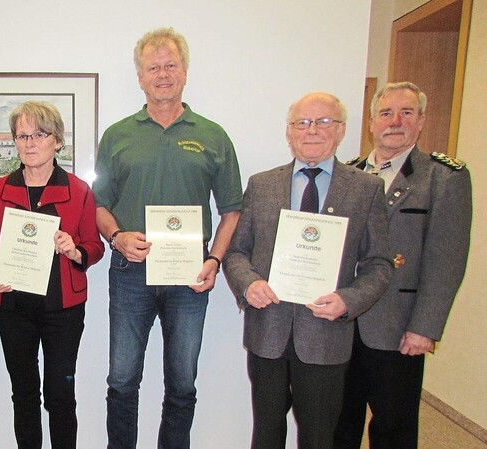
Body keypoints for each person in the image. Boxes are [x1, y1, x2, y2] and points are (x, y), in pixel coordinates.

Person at [92, 27, 243, 449]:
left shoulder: (213, 135)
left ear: (185, 72)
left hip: (189, 275)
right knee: (122, 380)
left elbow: (232, 209)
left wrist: (213, 260)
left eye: (170, 65)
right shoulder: (118, 135)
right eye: (153, 67)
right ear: (140, 77)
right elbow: (98, 204)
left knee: (182, 383)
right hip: (129, 271)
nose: (162, 74)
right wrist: (117, 237)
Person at [222, 92, 394, 449]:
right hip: (267, 332)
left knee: (318, 438)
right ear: (289, 132)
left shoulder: (366, 189)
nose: (311, 130)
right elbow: (236, 253)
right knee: (266, 436)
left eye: (323, 122)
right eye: (302, 123)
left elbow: (379, 264)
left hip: (325, 337)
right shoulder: (262, 184)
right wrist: (248, 284)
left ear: (341, 130)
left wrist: (348, 300)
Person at [333, 82, 472, 449]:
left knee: (394, 430)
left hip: (398, 328)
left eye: (406, 113)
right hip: (342, 323)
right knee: (337, 425)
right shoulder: (348, 175)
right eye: (386, 113)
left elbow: (447, 260)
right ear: (372, 122)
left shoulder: (443, 178)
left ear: (422, 121)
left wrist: (425, 327)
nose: (395, 121)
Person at [0, 101, 105, 449]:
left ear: (56, 140)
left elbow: (93, 246)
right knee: (23, 395)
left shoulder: (79, 190)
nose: (30, 143)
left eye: (39, 134)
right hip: (13, 308)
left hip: (63, 311)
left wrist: (74, 250)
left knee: (60, 396)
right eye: (22, 136)